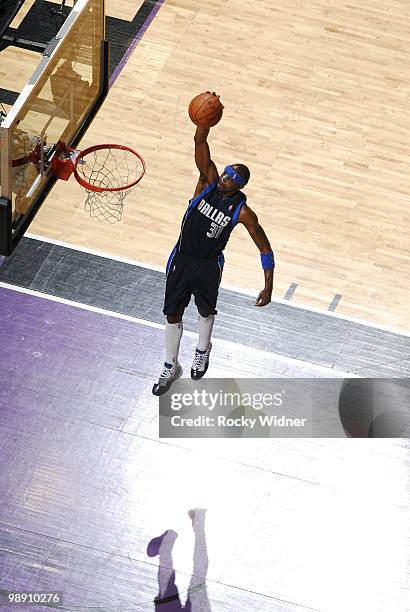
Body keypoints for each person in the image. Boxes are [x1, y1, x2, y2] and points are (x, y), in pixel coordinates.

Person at [152, 111, 274, 396]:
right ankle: (171, 365)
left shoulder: (243, 213)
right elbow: (199, 144)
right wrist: (202, 123)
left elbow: (265, 248)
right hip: (181, 259)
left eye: (232, 178)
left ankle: (202, 350)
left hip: (208, 266)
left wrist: (268, 287)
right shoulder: (207, 182)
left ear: (240, 186)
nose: (225, 179)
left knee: (206, 310)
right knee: (173, 313)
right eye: (225, 173)